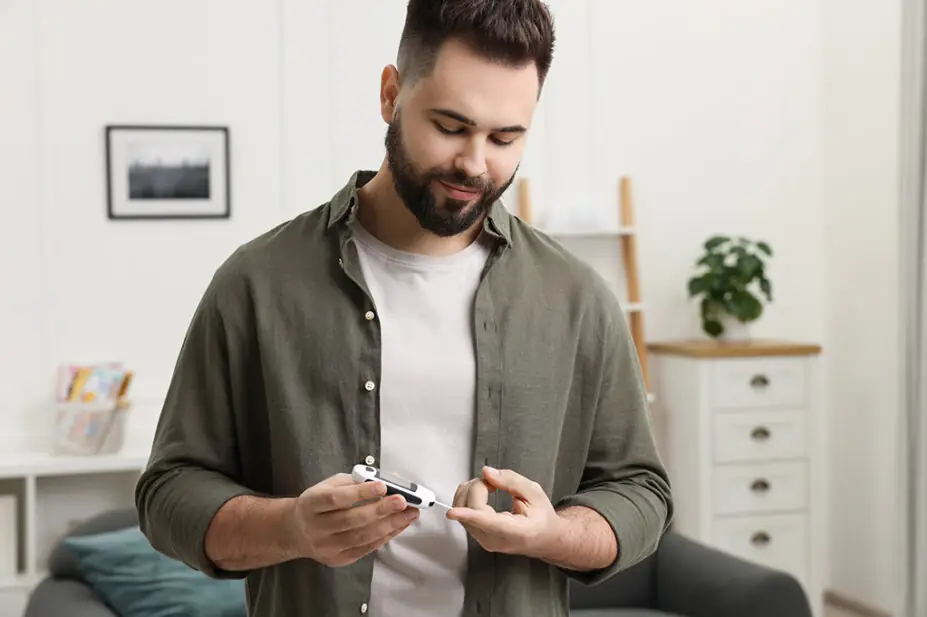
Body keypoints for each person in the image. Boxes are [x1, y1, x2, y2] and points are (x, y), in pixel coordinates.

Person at [134, 1, 673, 616]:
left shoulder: (578, 298)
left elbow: (642, 491)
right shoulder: (257, 283)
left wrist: (556, 536)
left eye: (505, 137)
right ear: (391, 94)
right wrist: (291, 528)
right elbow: (168, 492)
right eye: (450, 126)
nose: (475, 164)